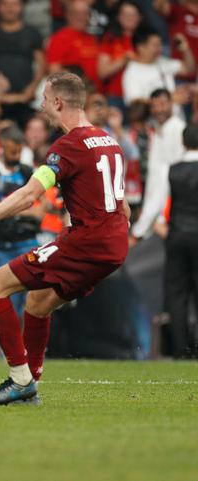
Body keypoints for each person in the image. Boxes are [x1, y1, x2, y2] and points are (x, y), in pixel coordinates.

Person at [0, 72, 131, 405]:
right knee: (37, 303)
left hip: (86, 242)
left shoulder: (67, 146)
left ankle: (19, 379)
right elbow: (122, 204)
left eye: (44, 100)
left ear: (58, 102)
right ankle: (30, 386)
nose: (41, 107)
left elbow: (29, 195)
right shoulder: (108, 141)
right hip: (113, 245)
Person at [0, 125, 43, 317]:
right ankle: (10, 348)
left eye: (20, 151)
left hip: (29, 243)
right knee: (6, 305)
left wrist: (33, 209)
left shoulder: (28, 171)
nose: (16, 155)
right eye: (13, 151)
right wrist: (28, 210)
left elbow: (44, 205)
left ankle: (31, 347)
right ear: (2, 146)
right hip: (2, 247)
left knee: (34, 303)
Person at [159, 123, 198, 358]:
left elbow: (156, 202)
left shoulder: (172, 170)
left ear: (183, 142)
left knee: (177, 294)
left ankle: (182, 351)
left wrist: (138, 231)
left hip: (178, 235)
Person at [130, 89, 186, 243]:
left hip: (165, 214)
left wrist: (139, 229)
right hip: (153, 210)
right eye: (154, 106)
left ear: (171, 104)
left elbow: (165, 181)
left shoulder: (178, 130)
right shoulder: (156, 129)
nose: (159, 109)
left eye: (163, 104)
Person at [122, 28, 194, 105]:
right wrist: (169, 99)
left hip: (177, 116)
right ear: (141, 47)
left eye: (160, 44)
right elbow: (134, 102)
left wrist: (185, 50)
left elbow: (189, 69)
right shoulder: (132, 72)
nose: (160, 49)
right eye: (155, 45)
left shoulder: (163, 61)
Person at [45, 0, 100, 91]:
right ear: (68, 15)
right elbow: (54, 71)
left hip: (97, 92)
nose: (81, 17)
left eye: (85, 14)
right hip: (75, 93)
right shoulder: (59, 38)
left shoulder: (92, 38)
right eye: (77, 13)